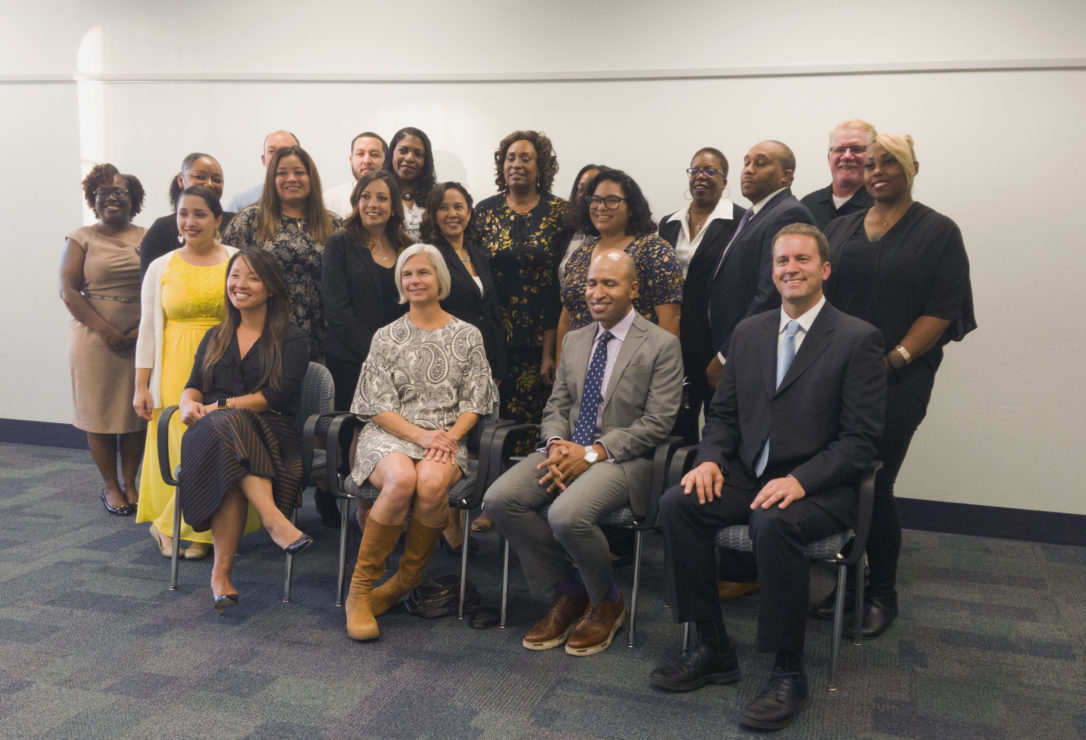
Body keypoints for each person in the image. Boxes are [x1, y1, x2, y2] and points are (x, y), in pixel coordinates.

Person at [650, 224, 886, 732]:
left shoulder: (857, 338)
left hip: (820, 487)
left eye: (802, 260)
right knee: (678, 503)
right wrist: (710, 458)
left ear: (824, 270)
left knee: (772, 522)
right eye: (782, 261)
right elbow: (725, 416)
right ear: (773, 270)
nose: (790, 269)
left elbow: (860, 441)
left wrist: (801, 481)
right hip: (747, 474)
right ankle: (713, 645)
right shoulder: (749, 332)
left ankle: (787, 670)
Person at [484, 251, 683, 656]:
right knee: (500, 500)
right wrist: (557, 444)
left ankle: (607, 600)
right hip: (567, 448)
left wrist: (592, 453)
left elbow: (658, 424)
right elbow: (557, 406)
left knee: (566, 515)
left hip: (624, 459)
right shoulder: (575, 339)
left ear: (633, 289)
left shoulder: (661, 344)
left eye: (609, 283)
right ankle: (569, 590)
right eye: (592, 283)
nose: (597, 292)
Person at [820, 133, 975, 637]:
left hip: (899, 376)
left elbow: (942, 309)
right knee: (835, 475)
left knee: (874, 480)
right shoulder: (840, 228)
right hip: (835, 376)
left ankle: (881, 592)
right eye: (869, 163)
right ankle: (849, 581)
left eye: (889, 161)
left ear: (912, 167)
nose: (877, 170)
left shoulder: (938, 231)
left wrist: (894, 359)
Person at [344, 244, 495, 641]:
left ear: (440, 279)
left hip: (446, 437)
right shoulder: (386, 336)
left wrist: (449, 438)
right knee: (400, 481)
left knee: (430, 483)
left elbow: (476, 401)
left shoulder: (468, 335)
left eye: (423, 273)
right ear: (400, 283)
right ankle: (360, 592)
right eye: (407, 275)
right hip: (390, 433)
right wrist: (422, 436)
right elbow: (376, 406)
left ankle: (402, 583)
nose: (415, 281)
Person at [177, 249, 313, 614]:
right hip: (209, 431)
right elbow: (193, 386)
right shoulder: (215, 336)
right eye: (235, 275)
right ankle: (274, 520)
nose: (240, 284)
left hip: (271, 433)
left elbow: (278, 395)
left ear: (271, 288)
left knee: (231, 454)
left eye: (253, 278)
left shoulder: (291, 337)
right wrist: (187, 403)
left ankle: (220, 577)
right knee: (226, 431)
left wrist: (219, 407)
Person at [135, 186, 239, 559]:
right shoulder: (161, 266)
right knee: (177, 445)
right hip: (175, 366)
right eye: (183, 214)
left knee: (216, 446)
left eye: (199, 214)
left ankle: (204, 529)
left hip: (227, 362)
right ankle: (168, 524)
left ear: (218, 220)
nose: (190, 222)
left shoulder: (237, 259)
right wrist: (141, 386)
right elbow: (148, 328)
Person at [420, 181, 507, 549]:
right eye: (444, 207)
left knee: (482, 435)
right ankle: (449, 527)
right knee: (450, 438)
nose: (452, 214)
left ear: (469, 211)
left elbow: (490, 309)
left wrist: (497, 363)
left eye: (459, 207)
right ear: (433, 215)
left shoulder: (477, 251)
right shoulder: (429, 254)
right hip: (448, 360)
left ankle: (475, 508)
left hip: (486, 355)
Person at [60, 163, 147, 516]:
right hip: (95, 339)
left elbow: (161, 283)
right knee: (98, 415)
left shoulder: (149, 235)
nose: (112, 198)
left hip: (142, 336)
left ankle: (131, 483)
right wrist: (107, 330)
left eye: (120, 193)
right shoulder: (81, 238)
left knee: (135, 414)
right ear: (93, 200)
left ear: (134, 200)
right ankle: (111, 487)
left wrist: (145, 330)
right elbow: (68, 291)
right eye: (104, 193)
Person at [474, 130, 566, 431]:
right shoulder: (484, 211)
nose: (516, 164)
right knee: (492, 425)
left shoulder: (560, 213)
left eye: (526, 158)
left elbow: (560, 286)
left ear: (541, 167)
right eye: (510, 158)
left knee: (539, 424)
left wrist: (551, 351)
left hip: (542, 339)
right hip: (492, 337)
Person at [705, 140, 815, 390]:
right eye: (746, 163)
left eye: (760, 163)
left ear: (786, 176)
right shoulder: (756, 215)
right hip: (731, 346)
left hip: (752, 352)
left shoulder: (788, 214)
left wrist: (727, 355)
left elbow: (771, 294)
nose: (748, 169)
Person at [223, 145, 341, 361]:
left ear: (311, 177)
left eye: (299, 172)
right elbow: (228, 279)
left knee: (315, 392)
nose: (291, 178)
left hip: (321, 335)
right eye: (282, 173)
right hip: (263, 332)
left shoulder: (333, 224)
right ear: (271, 179)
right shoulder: (249, 220)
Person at [659, 147, 742, 445]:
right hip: (672, 338)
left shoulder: (741, 222)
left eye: (710, 171)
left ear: (724, 180)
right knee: (676, 424)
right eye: (695, 170)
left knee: (719, 424)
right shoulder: (668, 223)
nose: (701, 177)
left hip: (715, 342)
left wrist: (726, 351)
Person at [557, 168, 682, 354]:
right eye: (595, 200)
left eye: (612, 200)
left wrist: (660, 371)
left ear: (631, 208)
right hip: (580, 364)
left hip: (634, 366)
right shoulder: (580, 255)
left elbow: (670, 319)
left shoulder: (655, 250)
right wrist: (562, 374)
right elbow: (566, 319)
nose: (601, 207)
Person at [322, 170, 410, 412]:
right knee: (354, 433)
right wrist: (376, 352)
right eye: (366, 197)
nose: (373, 204)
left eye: (382, 198)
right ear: (356, 202)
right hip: (351, 360)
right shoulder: (339, 244)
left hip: (401, 361)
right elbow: (337, 309)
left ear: (393, 207)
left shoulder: (407, 248)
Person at [140, 153, 236, 279]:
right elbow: (150, 284)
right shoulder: (161, 229)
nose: (209, 184)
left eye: (217, 180)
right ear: (181, 180)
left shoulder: (236, 222)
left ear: (218, 221)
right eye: (200, 177)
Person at [801, 119, 877, 230]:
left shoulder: (880, 207)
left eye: (856, 149)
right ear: (829, 158)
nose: (846, 156)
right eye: (839, 149)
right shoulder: (808, 205)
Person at [224, 130, 299, 213]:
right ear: (263, 159)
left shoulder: (313, 202)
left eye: (286, 151)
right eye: (272, 151)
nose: (278, 156)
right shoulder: (240, 204)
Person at [383, 127, 436, 241]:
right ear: (391, 153)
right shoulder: (379, 195)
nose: (409, 158)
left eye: (418, 154)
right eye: (403, 151)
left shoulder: (436, 197)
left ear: (425, 161)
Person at [324, 131, 388, 218]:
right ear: (351, 160)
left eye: (374, 155)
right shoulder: (329, 199)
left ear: (385, 161)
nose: (366, 161)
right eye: (360, 154)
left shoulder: (395, 198)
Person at [556, 163, 602, 285]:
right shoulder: (568, 233)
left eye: (591, 190)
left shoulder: (615, 237)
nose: (584, 195)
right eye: (580, 189)